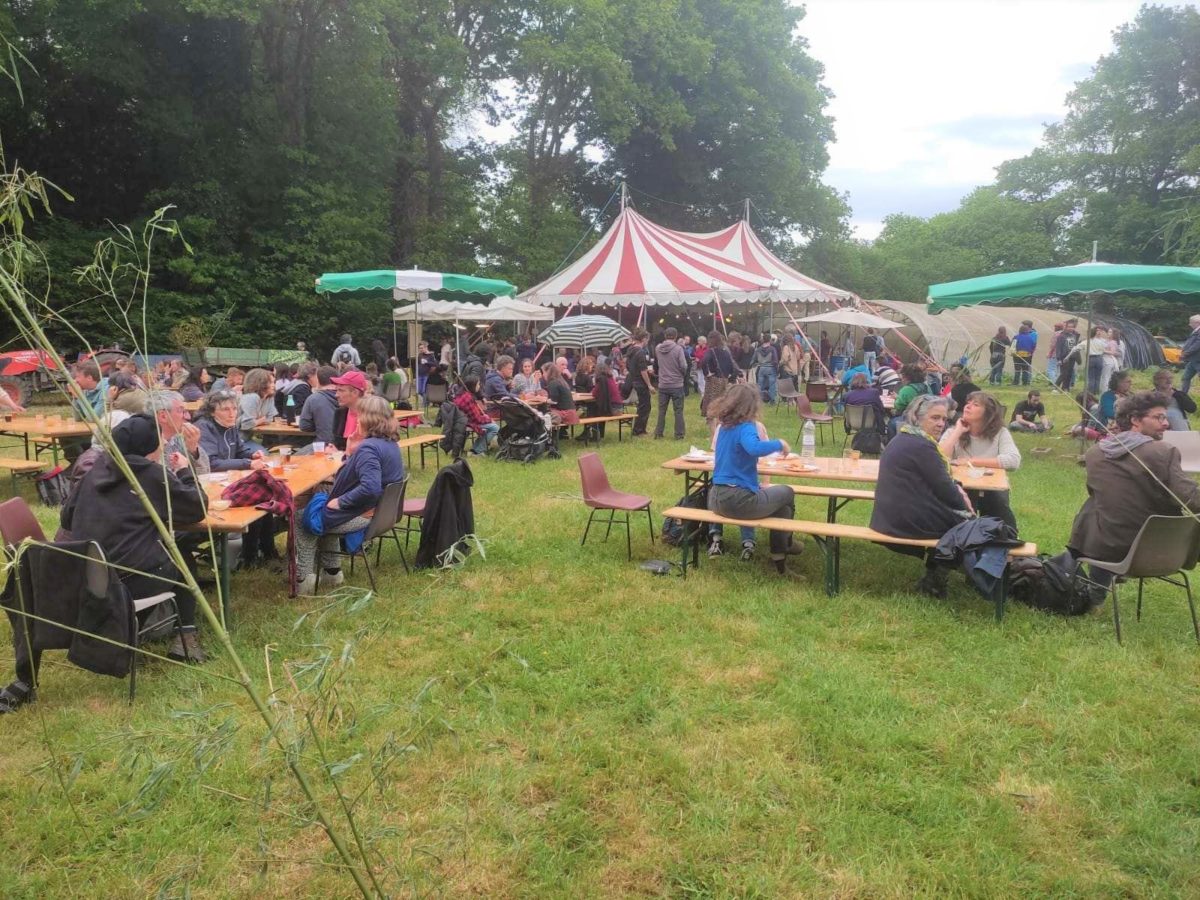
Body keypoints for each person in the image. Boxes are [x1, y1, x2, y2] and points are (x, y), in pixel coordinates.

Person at [60, 414, 210, 661]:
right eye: (160, 438)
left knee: (169, 549)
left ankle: (127, 626)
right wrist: (184, 471)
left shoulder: (98, 468)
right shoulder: (149, 474)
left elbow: (67, 518)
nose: (163, 443)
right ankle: (185, 636)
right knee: (181, 556)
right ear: (148, 445)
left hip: (89, 573)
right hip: (132, 578)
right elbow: (198, 507)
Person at [1068, 391, 1200, 590]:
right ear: (1135, 420)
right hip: (1156, 550)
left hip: (1105, 547)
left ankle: (1096, 592)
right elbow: (1191, 498)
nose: (1166, 423)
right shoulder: (1163, 451)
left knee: (1093, 506)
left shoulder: (1093, 454)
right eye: (1159, 417)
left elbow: (1096, 493)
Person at [295, 396, 404, 595]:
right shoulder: (388, 444)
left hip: (364, 515)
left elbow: (370, 487)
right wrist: (350, 450)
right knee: (325, 511)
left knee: (303, 517)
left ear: (369, 419)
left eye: (359, 415)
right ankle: (332, 572)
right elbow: (356, 474)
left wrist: (342, 501)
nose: (356, 420)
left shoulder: (370, 448)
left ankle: (303, 579)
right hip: (380, 513)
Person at [870, 395, 973, 598]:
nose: (941, 424)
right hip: (902, 522)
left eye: (944, 419)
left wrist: (957, 489)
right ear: (917, 417)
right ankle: (937, 581)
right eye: (935, 418)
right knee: (967, 526)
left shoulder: (904, 438)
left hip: (888, 517)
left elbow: (938, 482)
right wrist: (966, 507)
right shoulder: (921, 446)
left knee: (957, 519)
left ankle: (937, 576)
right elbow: (944, 488)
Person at [706, 384, 799, 571]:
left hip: (715, 498)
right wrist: (779, 443)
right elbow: (754, 448)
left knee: (782, 509)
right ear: (751, 405)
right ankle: (784, 546)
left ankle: (780, 557)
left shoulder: (724, 427)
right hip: (739, 501)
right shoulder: (746, 427)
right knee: (787, 492)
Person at [939, 391, 1021, 528]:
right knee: (960, 503)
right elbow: (939, 458)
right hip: (960, 486)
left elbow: (1013, 461)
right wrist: (958, 431)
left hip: (992, 488)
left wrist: (971, 461)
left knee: (996, 501)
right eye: (968, 403)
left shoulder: (1000, 433)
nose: (968, 407)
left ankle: (1004, 537)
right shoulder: (953, 432)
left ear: (988, 413)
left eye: (975, 404)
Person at [197, 390, 268, 472]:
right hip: (210, 478)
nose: (232, 414)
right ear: (212, 412)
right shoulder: (203, 427)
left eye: (234, 409)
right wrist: (247, 463)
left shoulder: (229, 424)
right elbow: (212, 463)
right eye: (225, 409)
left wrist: (252, 455)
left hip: (228, 476)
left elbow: (239, 451)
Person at [146, 390, 210, 476]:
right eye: (181, 411)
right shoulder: (146, 443)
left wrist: (194, 450)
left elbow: (204, 474)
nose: (188, 416)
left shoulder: (180, 438)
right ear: (163, 416)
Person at [654, 327, 688, 439]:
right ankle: (679, 434)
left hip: (663, 383)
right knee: (678, 410)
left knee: (661, 410)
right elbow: (683, 365)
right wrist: (682, 374)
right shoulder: (678, 349)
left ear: (665, 336)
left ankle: (658, 433)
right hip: (676, 383)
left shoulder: (658, 348)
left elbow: (658, 363)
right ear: (676, 336)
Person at [452, 375, 500, 455]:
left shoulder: (462, 394)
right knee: (495, 427)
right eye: (478, 384)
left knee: (490, 424)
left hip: (463, 420)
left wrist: (485, 417)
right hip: (468, 422)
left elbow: (475, 415)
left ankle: (475, 448)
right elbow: (477, 419)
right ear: (472, 386)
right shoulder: (468, 398)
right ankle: (477, 450)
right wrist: (489, 420)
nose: (479, 386)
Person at [701, 330, 738, 425]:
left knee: (712, 402)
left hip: (714, 380)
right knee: (722, 401)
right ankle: (721, 421)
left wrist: (707, 373)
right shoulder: (725, 351)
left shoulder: (711, 351)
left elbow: (704, 361)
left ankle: (712, 423)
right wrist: (728, 374)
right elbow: (731, 364)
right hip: (724, 379)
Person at [298, 365, 340, 446]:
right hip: (344, 446)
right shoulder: (347, 397)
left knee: (295, 457)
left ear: (318, 380)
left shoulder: (313, 399)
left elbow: (304, 426)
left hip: (322, 445)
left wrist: (318, 424)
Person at [331, 369, 369, 453]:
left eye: (341, 390)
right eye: (336, 390)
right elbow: (335, 444)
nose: (336, 395)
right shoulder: (340, 413)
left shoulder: (371, 416)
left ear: (355, 392)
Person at [237, 368, 276, 449]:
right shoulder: (252, 397)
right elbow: (246, 424)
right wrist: (261, 420)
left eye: (274, 382)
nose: (273, 385)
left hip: (247, 438)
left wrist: (256, 421)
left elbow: (270, 418)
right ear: (260, 383)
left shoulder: (269, 397)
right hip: (237, 440)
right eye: (270, 382)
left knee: (271, 449)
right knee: (264, 454)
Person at [625, 328, 654, 436]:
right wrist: (649, 385)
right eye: (647, 339)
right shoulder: (640, 352)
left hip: (633, 379)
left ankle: (639, 429)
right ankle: (639, 430)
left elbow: (628, 365)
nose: (647, 342)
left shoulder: (630, 350)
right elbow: (643, 371)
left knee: (642, 405)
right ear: (643, 339)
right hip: (641, 382)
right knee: (645, 406)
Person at [890, 364, 929, 434]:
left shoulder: (906, 389)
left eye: (902, 377)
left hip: (911, 420)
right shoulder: (926, 387)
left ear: (906, 378)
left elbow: (898, 406)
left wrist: (897, 399)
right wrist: (899, 397)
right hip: (925, 418)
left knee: (891, 423)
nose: (901, 380)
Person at [588, 363, 623, 439]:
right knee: (599, 409)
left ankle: (594, 436)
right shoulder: (610, 378)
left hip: (613, 408)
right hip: (619, 408)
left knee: (592, 411)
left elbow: (594, 393)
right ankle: (600, 434)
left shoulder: (601, 379)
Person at [542, 361, 579, 427]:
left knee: (542, 414)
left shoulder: (553, 382)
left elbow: (554, 401)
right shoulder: (560, 380)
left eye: (544, 372)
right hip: (572, 413)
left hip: (565, 414)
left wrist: (544, 400)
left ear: (548, 372)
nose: (543, 375)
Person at [750, 333, 778, 403]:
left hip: (761, 368)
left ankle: (759, 399)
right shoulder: (772, 349)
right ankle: (772, 400)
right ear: (769, 340)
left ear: (763, 340)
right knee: (772, 385)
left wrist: (753, 365)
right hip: (770, 368)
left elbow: (753, 360)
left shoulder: (758, 349)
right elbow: (775, 360)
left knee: (760, 385)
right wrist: (776, 369)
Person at [1054, 319, 1080, 390]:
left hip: (1072, 357)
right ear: (1065, 327)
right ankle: (1056, 387)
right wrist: (1059, 359)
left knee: (1069, 373)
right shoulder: (1062, 336)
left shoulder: (1075, 335)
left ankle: (1066, 388)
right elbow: (1058, 348)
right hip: (1064, 357)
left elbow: (1076, 342)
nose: (1070, 328)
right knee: (1064, 373)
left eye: (1072, 327)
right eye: (1069, 327)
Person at [1181, 314, 1200, 394]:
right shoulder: (1196, 331)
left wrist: (1186, 353)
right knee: (1185, 377)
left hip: (1198, 360)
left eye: (1191, 322)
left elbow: (1197, 344)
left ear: (1197, 322)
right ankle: (1183, 396)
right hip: (1192, 360)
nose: (1189, 324)